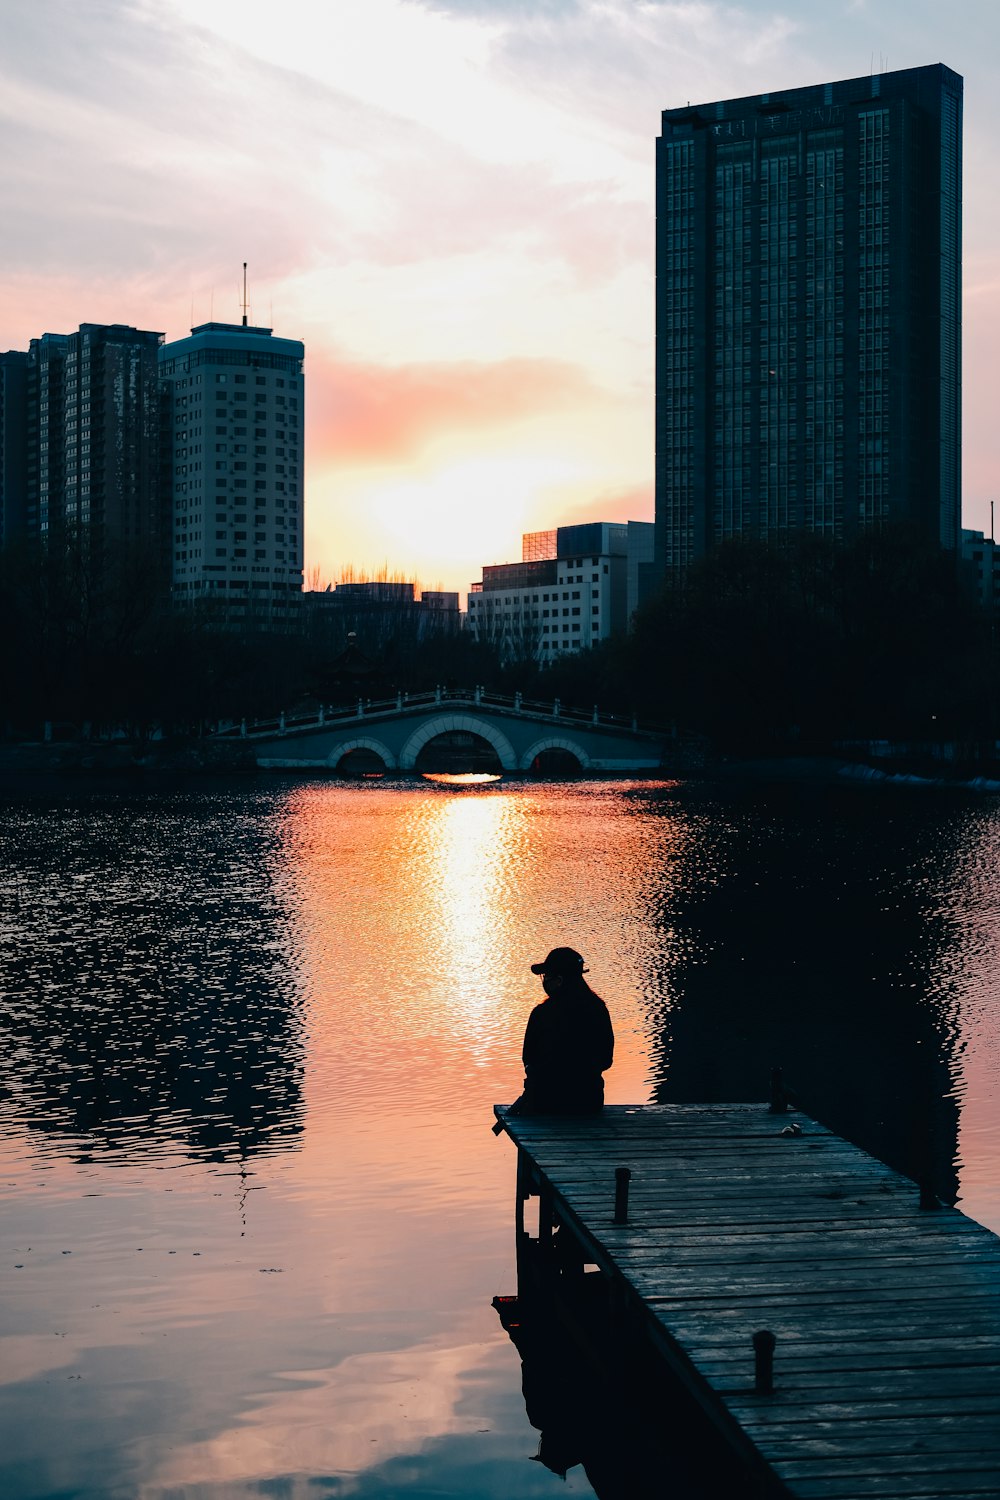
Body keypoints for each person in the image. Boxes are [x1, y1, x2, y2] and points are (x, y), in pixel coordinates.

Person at [507, 947, 614, 1117]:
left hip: (546, 1103)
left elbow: (528, 1058)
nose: (545, 980)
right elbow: (606, 1060)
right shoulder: (598, 1009)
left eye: (546, 976)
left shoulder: (541, 1014)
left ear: (559, 980)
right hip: (589, 1103)